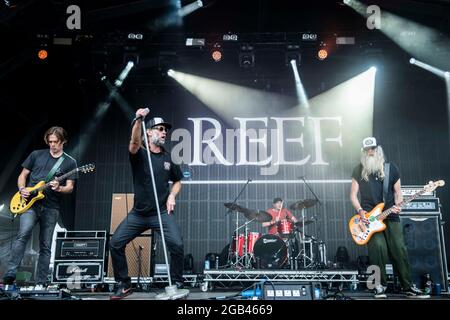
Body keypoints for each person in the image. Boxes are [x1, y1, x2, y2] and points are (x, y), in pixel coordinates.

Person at [109, 108, 184, 300]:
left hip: (160, 213)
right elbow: (134, 142)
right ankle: (124, 284)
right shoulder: (139, 154)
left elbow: (177, 181)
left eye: (164, 130)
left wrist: (172, 196)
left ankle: (176, 282)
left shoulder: (168, 159)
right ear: (148, 132)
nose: (164, 132)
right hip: (139, 214)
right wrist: (138, 119)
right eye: (159, 129)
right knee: (115, 243)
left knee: (176, 244)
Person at [350, 137, 429, 299]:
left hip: (390, 214)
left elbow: (398, 192)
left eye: (373, 149)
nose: (370, 152)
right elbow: (352, 195)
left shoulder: (391, 168)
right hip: (369, 219)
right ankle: (378, 286)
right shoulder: (358, 170)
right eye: (367, 150)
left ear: (378, 149)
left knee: (399, 249)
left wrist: (399, 204)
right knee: (377, 248)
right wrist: (360, 210)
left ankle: (407, 286)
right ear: (363, 152)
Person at [2, 126, 78, 286]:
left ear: (63, 141)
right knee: (23, 235)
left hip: (51, 207)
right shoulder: (36, 155)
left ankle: (42, 281)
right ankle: (10, 274)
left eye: (56, 142)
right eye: (50, 141)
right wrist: (22, 189)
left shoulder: (70, 162)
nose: (52, 145)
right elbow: (23, 175)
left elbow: (70, 187)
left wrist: (59, 188)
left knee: (46, 244)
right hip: (30, 204)